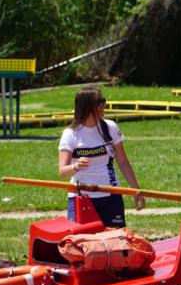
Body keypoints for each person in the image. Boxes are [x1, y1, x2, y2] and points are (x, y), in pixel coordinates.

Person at [58, 87, 145, 227]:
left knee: (115, 242)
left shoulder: (110, 127)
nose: (103, 105)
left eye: (103, 101)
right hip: (81, 198)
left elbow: (123, 163)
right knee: (83, 243)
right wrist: (75, 166)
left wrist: (137, 190)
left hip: (111, 195)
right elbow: (62, 172)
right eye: (99, 102)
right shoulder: (71, 133)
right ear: (87, 106)